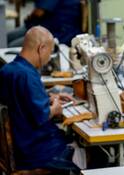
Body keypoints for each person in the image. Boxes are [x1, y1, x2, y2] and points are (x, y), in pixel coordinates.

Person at [0, 26, 79, 174]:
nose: (48, 58)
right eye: (49, 53)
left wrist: (48, 96)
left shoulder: (8, 70)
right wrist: (55, 107)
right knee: (87, 150)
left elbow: (20, 99)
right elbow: (42, 115)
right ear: (41, 48)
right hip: (35, 151)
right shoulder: (28, 76)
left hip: (20, 143)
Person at [7, 0, 82, 47]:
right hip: (44, 25)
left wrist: (30, 17)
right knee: (6, 37)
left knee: (12, 45)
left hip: (60, 33)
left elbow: (39, 12)